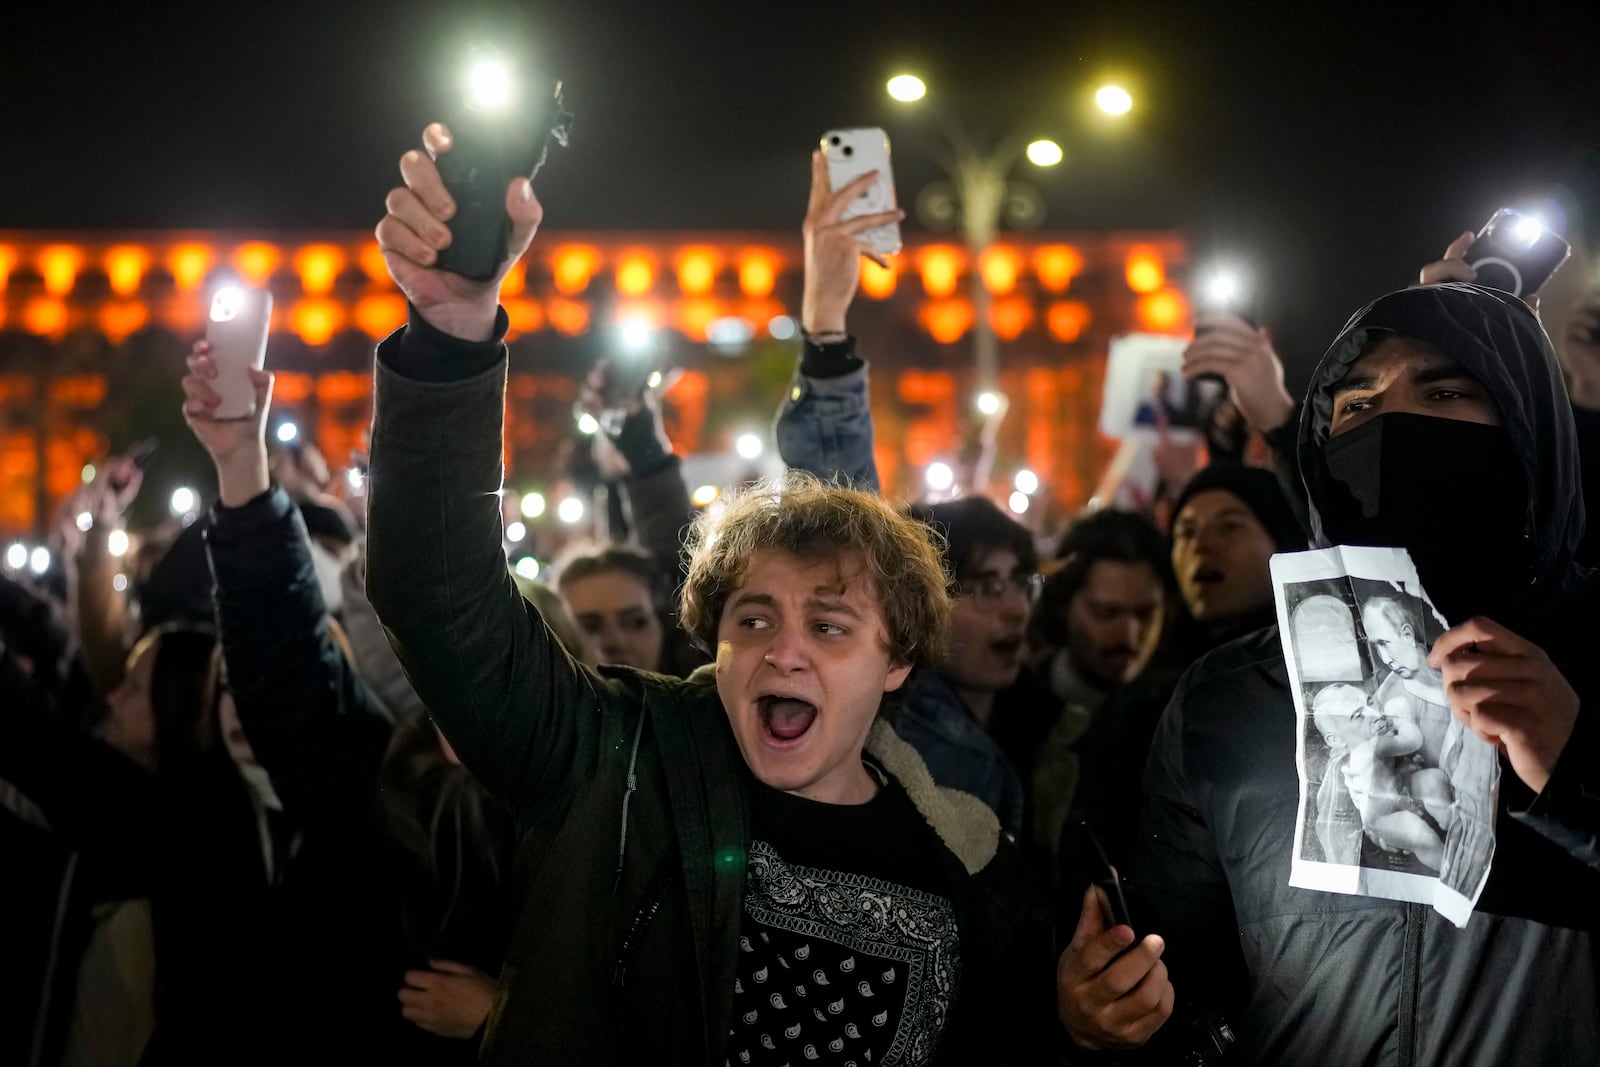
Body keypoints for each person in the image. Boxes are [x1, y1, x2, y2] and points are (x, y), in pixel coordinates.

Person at [364, 124, 1055, 1064]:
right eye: (753, 617)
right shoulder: (614, 764)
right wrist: (450, 333)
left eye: (830, 623)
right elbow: (437, 597)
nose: (785, 649)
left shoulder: (973, 863)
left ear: (897, 661)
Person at [1057, 282, 1600, 1063]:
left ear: (1527, 427)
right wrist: (1106, 1007)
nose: (1391, 426)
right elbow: (1178, 967)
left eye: (1445, 392)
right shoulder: (1233, 696)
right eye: (1356, 406)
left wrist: (1577, 765)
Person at [1025, 508, 1170, 865]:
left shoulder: (1175, 712)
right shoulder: (1018, 704)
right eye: (1107, 613)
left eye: (1146, 614)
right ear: (1064, 604)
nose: (1129, 636)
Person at [1309, 682, 1452, 870]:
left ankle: (1450, 820)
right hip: (1382, 819)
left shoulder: (1365, 748)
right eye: (1358, 716)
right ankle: (1448, 866)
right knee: (1419, 834)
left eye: (1371, 702)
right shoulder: (1372, 746)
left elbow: (1390, 773)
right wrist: (1403, 722)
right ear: (1336, 740)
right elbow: (1414, 740)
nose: (1375, 714)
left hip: (1401, 790)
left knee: (1433, 778)